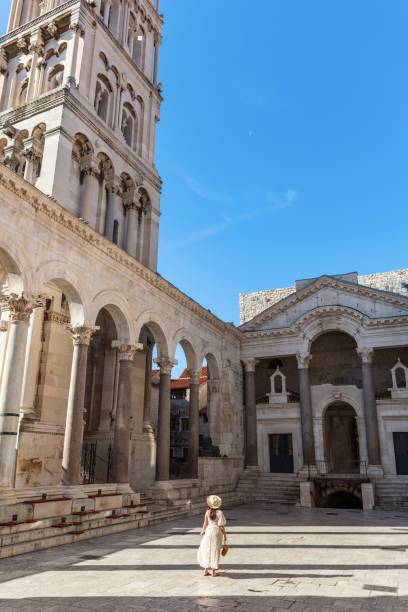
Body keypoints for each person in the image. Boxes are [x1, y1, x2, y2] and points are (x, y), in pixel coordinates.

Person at [197, 494, 227, 577]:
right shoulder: (219, 512)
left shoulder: (207, 512)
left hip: (209, 531)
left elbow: (205, 523)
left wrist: (203, 531)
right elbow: (221, 525)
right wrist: (225, 534)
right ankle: (214, 572)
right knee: (215, 549)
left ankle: (205, 570)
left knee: (207, 548)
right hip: (216, 531)